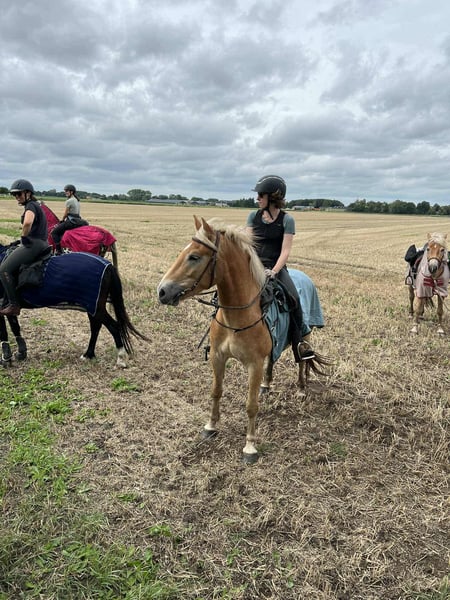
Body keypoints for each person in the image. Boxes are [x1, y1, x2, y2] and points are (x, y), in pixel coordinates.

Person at [246, 174, 314, 362]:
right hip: (254, 267)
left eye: (261, 195)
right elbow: (248, 245)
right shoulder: (253, 216)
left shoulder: (287, 220)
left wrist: (274, 271)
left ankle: (301, 342)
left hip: (275, 268)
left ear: (273, 197)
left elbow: (285, 251)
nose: (257, 198)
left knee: (294, 299)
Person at [0, 179, 49, 316]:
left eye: (19, 194)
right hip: (41, 242)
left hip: (34, 244)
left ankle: (14, 305)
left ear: (28, 193)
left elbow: (27, 223)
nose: (17, 197)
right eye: (14, 194)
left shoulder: (31, 205)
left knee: (4, 270)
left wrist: (23, 237)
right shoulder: (36, 205)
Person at [51, 184, 88, 255]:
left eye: (67, 191)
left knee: (54, 233)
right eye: (65, 191)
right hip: (77, 221)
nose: (65, 192)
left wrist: (62, 220)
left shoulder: (69, 201)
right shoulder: (77, 200)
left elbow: (66, 213)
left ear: (71, 192)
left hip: (71, 222)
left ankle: (59, 251)